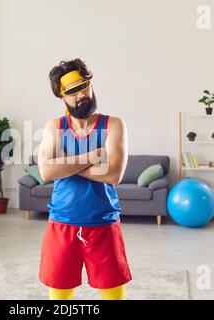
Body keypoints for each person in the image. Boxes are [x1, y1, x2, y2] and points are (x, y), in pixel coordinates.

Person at [38, 58, 132, 300]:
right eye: (72, 91)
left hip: (103, 224)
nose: (81, 95)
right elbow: (46, 172)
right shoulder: (54, 127)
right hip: (62, 223)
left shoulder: (114, 125)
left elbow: (114, 174)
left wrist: (66, 163)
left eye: (84, 86)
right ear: (61, 96)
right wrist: (96, 155)